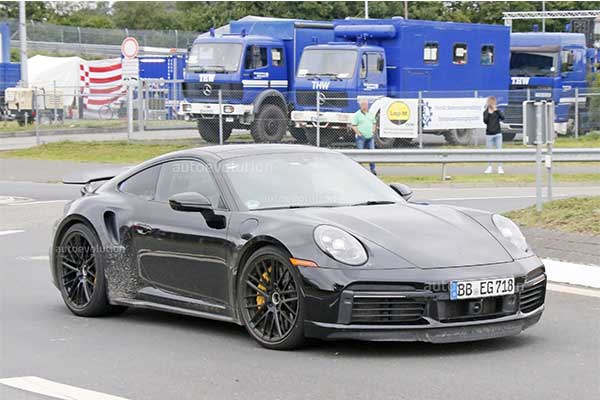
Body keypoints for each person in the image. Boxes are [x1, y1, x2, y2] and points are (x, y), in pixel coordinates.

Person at [351, 98, 377, 175]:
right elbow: (354, 125)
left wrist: (373, 131)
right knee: (360, 155)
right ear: (360, 105)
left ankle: (373, 170)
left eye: (365, 104)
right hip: (361, 138)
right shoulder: (357, 115)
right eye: (363, 104)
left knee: (372, 153)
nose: (364, 106)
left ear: (368, 105)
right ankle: (360, 171)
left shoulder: (371, 114)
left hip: (370, 137)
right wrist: (358, 133)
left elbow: (374, 123)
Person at [483, 96, 505, 174]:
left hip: (498, 134)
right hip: (489, 134)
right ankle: (489, 167)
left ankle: (500, 167)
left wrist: (496, 111)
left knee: (499, 151)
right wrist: (489, 113)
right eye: (490, 103)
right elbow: (485, 121)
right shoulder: (486, 112)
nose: (492, 104)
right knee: (489, 152)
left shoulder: (497, 111)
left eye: (493, 103)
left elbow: (503, 118)